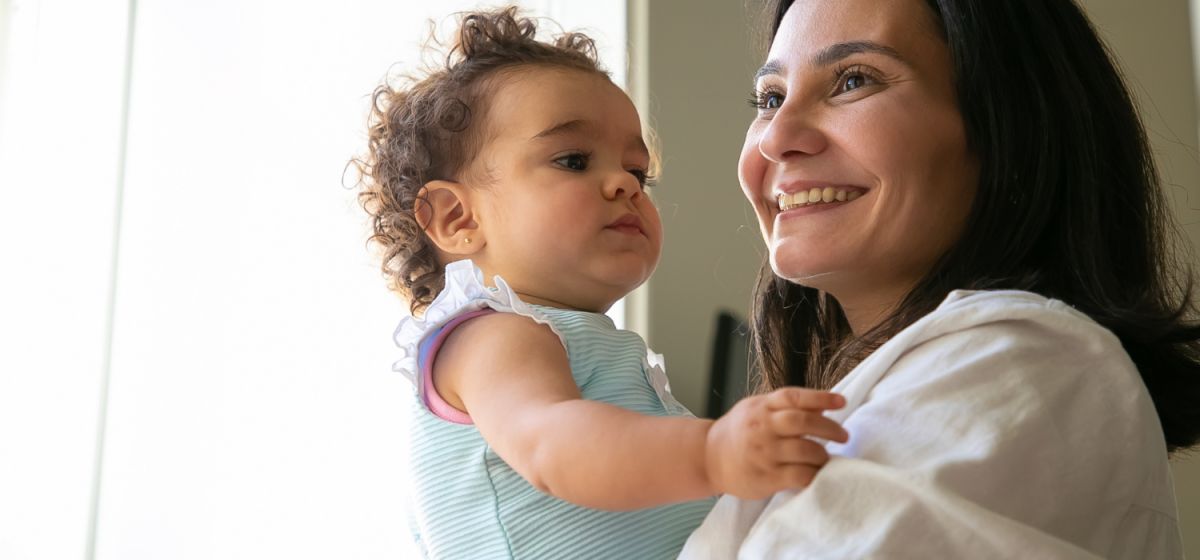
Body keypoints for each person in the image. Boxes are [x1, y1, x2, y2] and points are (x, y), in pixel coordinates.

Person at [679, 0, 1200, 558]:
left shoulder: (1023, 359)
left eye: (853, 80)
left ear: (1008, 125)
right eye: (771, 98)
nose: (774, 137)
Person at [353, 7, 849, 559]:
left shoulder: (575, 341)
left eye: (638, 173)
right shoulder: (490, 336)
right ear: (457, 220)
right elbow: (552, 443)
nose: (622, 184)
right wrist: (713, 452)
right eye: (573, 160)